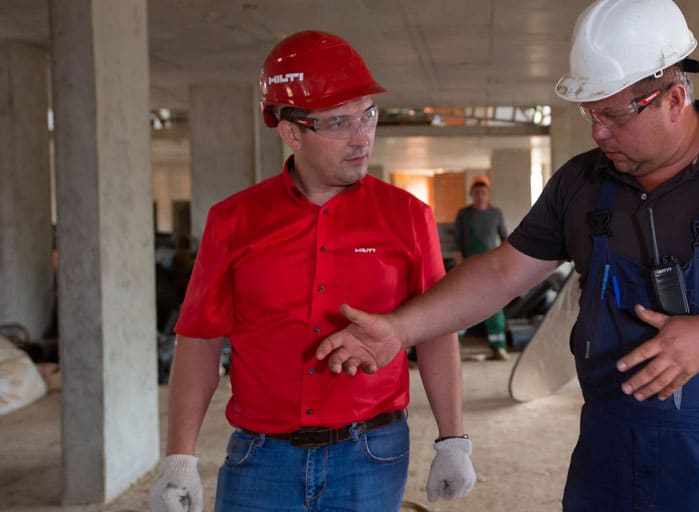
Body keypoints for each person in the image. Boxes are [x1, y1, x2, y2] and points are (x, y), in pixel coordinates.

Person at [316, 0, 699, 509]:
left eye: (615, 116)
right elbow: (503, 273)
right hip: (606, 446)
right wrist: (400, 329)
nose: (599, 132)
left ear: (673, 98)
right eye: (589, 114)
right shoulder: (582, 182)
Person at [148, 31, 475, 512]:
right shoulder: (233, 221)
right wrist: (179, 458)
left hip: (371, 454)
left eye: (368, 115)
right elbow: (200, 338)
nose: (361, 136)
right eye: (339, 122)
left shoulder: (408, 217)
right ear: (291, 131)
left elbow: (436, 332)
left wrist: (453, 440)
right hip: (261, 458)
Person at [452, 175, 510, 360]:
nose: (480, 196)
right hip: (469, 265)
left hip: (490, 266)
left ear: (488, 194)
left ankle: (498, 347)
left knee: (494, 306)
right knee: (463, 305)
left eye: (483, 192)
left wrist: (505, 263)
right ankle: (454, 348)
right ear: (471, 194)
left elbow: (505, 239)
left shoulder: (495, 214)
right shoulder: (464, 214)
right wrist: (459, 265)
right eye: (476, 193)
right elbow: (457, 243)